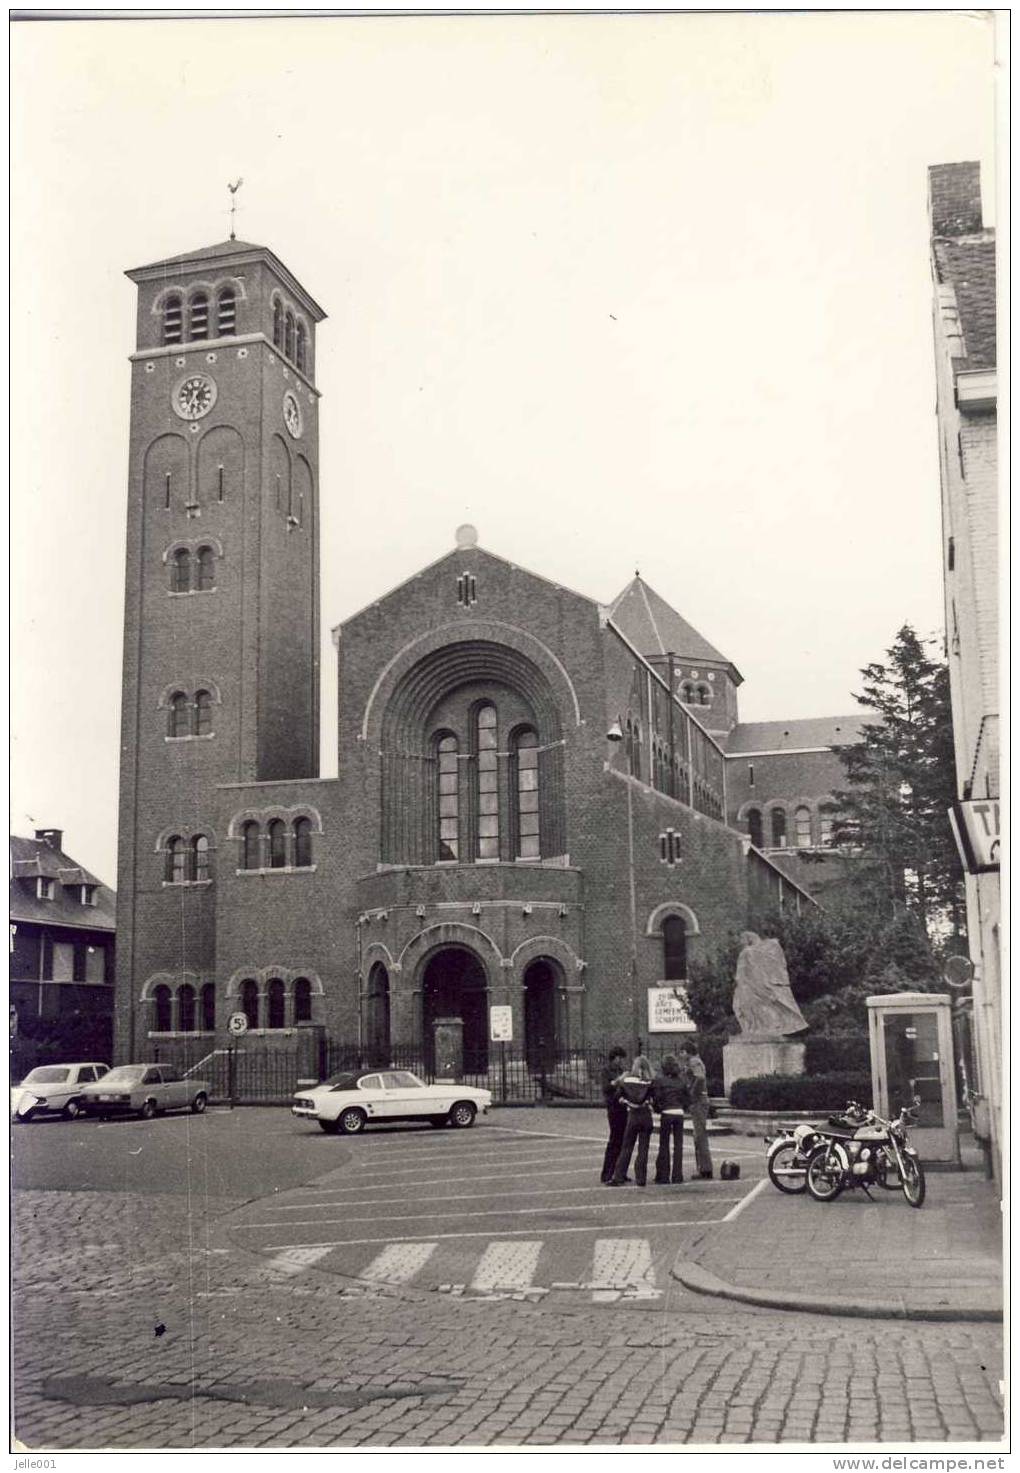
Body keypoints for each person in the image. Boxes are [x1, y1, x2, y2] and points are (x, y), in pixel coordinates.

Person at [608, 1055, 655, 1187]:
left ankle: (619, 1176)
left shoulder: (627, 1080)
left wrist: (626, 1101)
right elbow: (653, 1098)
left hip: (633, 1115)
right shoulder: (649, 1081)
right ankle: (641, 1178)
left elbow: (618, 1096)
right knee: (643, 1148)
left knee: (627, 1147)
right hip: (646, 1115)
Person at [651, 1054, 689, 1184]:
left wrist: (658, 1108)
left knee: (664, 1145)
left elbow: (657, 1098)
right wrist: (682, 1106)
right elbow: (687, 1098)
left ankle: (664, 1175)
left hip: (667, 1112)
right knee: (678, 1146)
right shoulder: (681, 1081)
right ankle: (677, 1175)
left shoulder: (660, 1081)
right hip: (679, 1113)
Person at [681, 1039, 713, 1179]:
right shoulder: (694, 1061)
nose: (681, 1055)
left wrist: (691, 1094)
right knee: (698, 1135)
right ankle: (703, 1167)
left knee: (700, 1135)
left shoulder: (693, 1061)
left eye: (682, 1052)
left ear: (687, 1052)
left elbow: (699, 1078)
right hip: (699, 1101)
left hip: (698, 1101)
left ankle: (705, 1169)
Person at [599, 1046, 628, 1184]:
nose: (621, 1062)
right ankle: (607, 1173)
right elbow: (606, 1088)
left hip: (622, 1107)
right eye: (620, 1059)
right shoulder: (606, 1071)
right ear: (615, 1058)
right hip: (613, 1107)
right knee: (614, 1141)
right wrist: (618, 1080)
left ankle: (620, 1171)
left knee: (623, 1141)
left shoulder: (620, 1070)